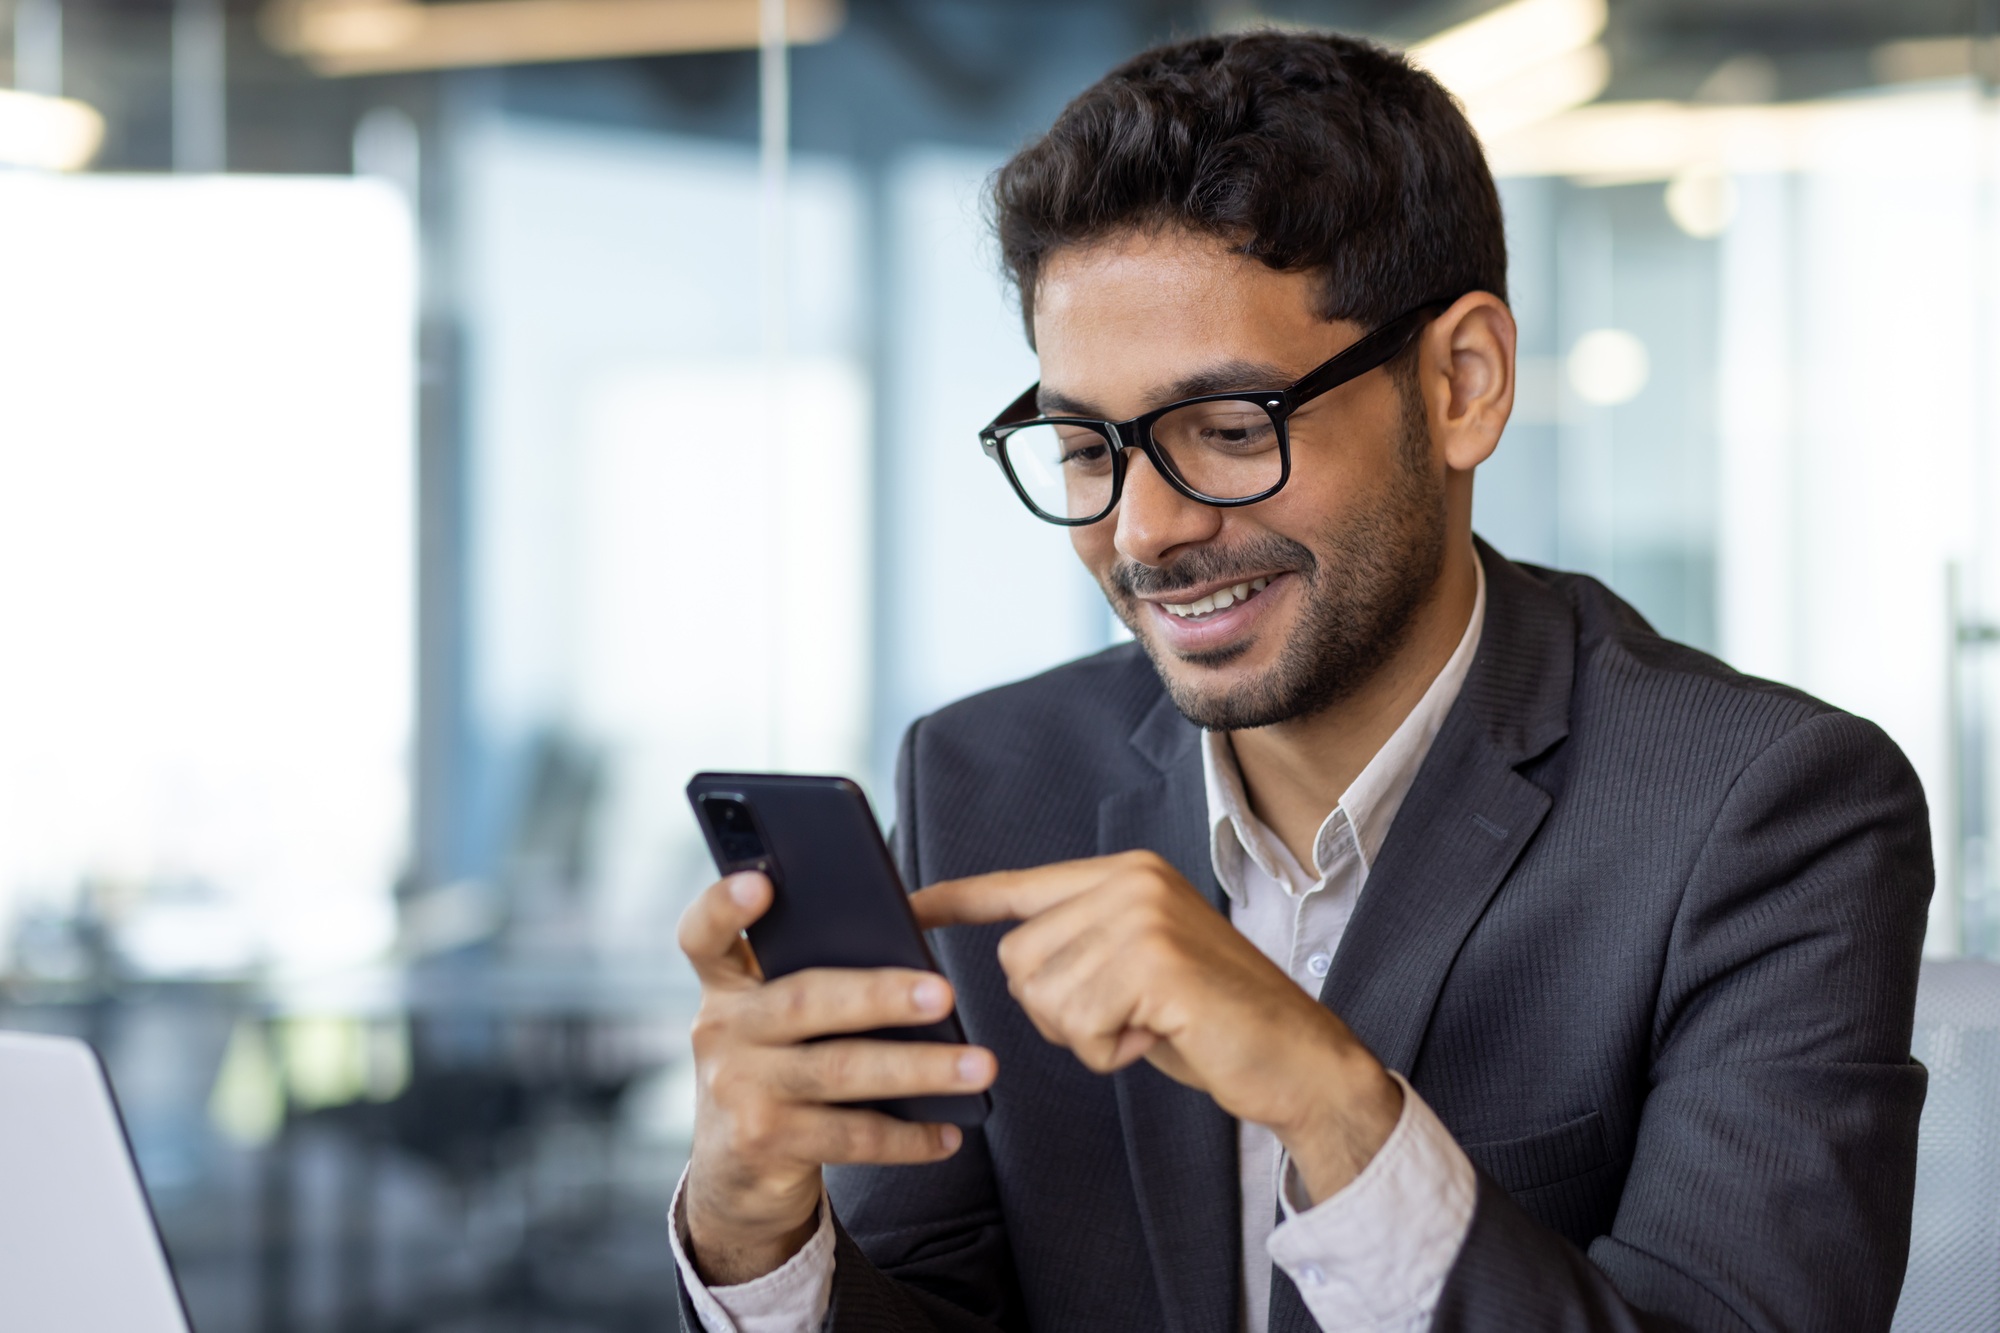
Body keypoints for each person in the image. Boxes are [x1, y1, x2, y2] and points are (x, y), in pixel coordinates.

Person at [668, 29, 1932, 1333]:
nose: (1145, 532)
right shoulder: (984, 782)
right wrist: (757, 1237)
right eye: (1087, 448)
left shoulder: (1767, 811)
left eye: (1229, 429)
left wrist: (1331, 1102)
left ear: (1463, 384)